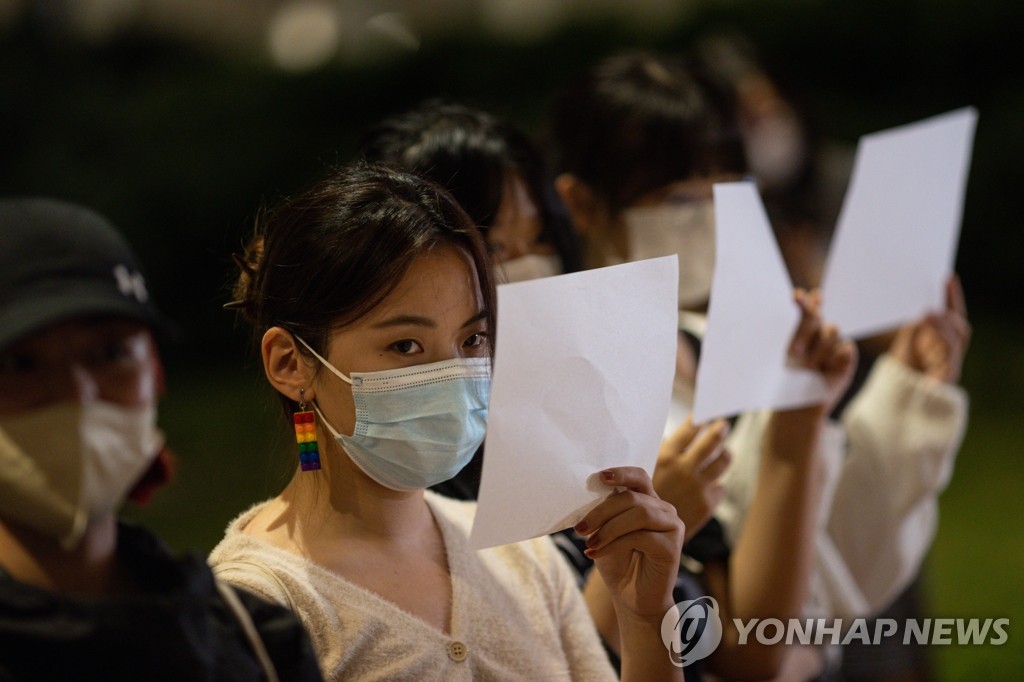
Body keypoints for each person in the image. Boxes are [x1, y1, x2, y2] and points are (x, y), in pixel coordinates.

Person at [549, 49, 970, 679]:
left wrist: (906, 389)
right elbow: (752, 648)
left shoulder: (723, 337)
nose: (715, 221)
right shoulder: (571, 374)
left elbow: (830, 567)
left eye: (731, 192)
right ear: (582, 204)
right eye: (679, 196)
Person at [210, 161, 687, 681]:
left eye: (472, 340)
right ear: (290, 363)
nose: (452, 376)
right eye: (406, 345)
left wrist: (645, 619)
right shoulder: (255, 605)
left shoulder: (524, 558)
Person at [0, 198, 323, 681]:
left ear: (154, 373)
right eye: (22, 364)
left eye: (110, 352)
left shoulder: (253, 641)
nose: (78, 395)